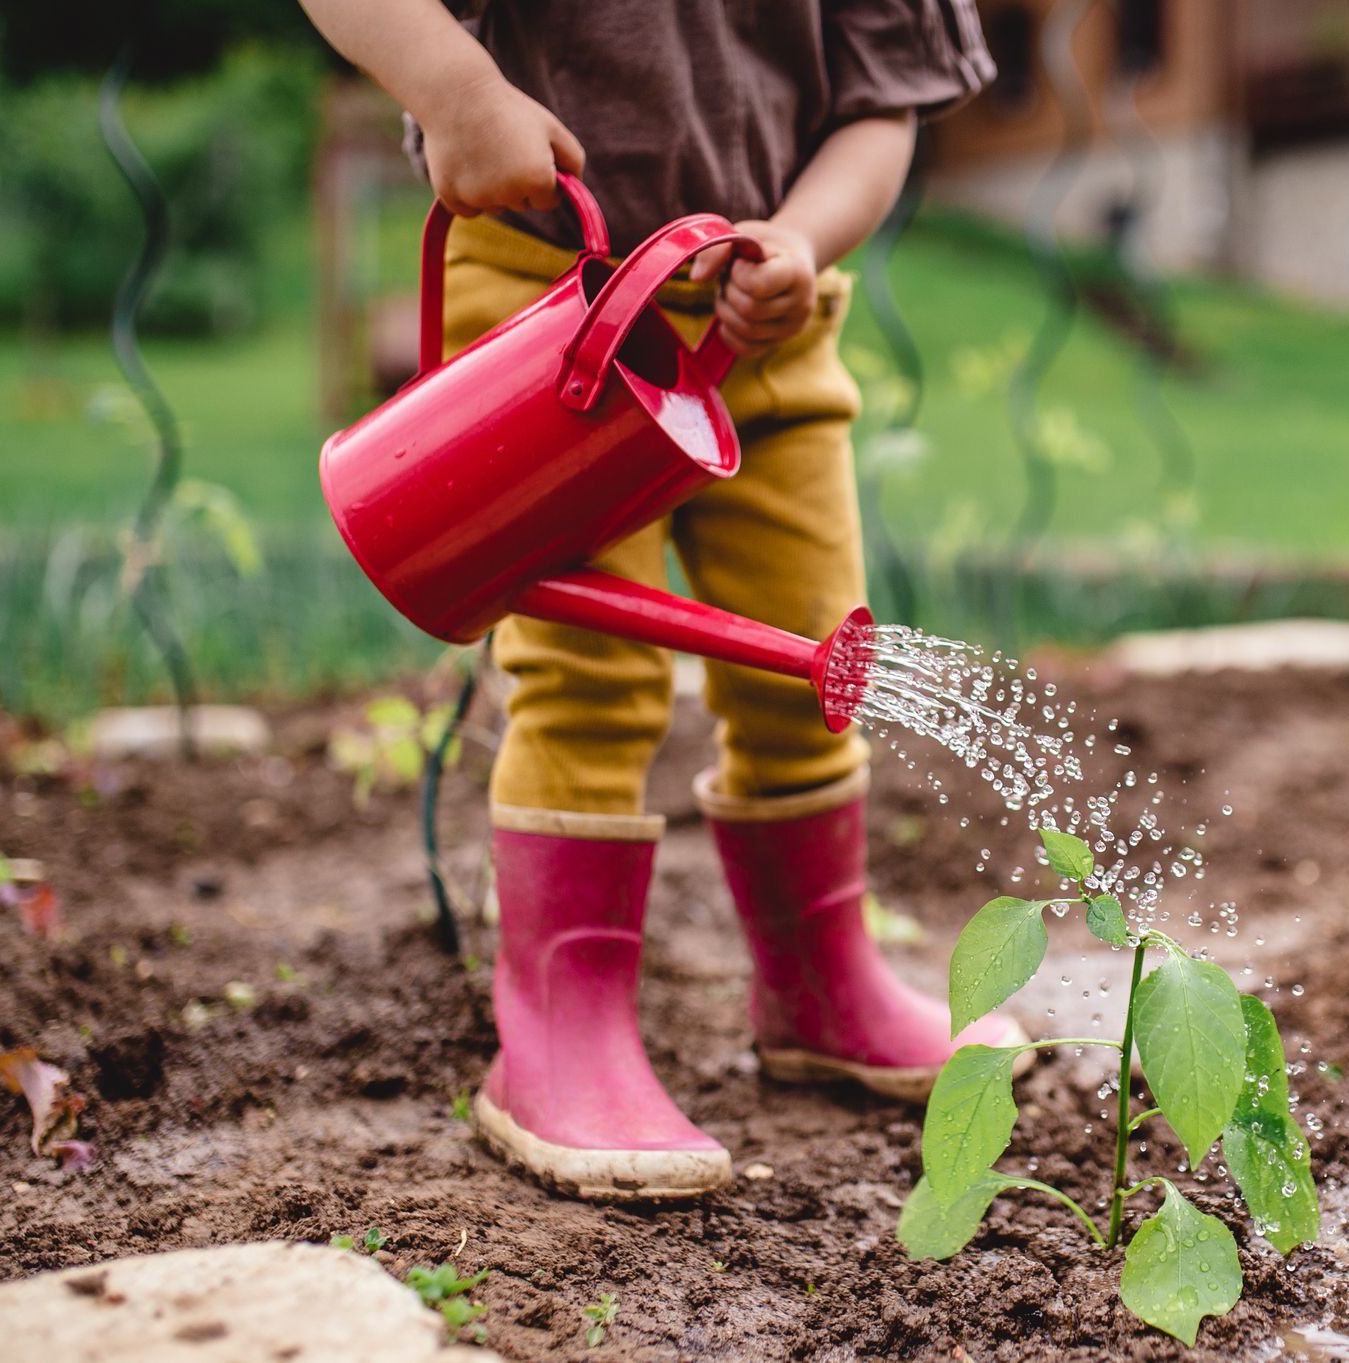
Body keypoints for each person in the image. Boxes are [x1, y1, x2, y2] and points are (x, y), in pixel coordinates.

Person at [298, 0, 1025, 1201]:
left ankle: (820, 979)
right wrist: (459, 93)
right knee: (592, 682)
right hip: (550, 308)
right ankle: (559, 1031)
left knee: (811, 660)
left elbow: (879, 108)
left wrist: (799, 237)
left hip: (767, 325)